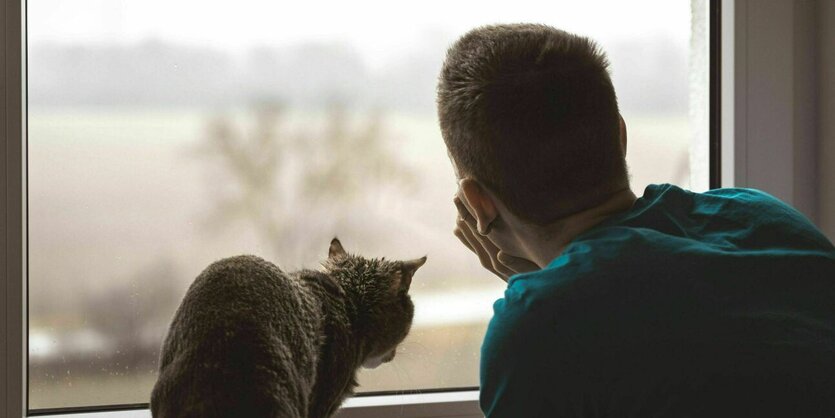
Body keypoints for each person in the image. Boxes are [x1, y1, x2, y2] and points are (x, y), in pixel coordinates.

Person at [437, 23, 835, 417]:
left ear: (478, 203)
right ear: (620, 136)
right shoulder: (757, 213)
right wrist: (550, 284)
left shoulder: (537, 329)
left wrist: (541, 298)